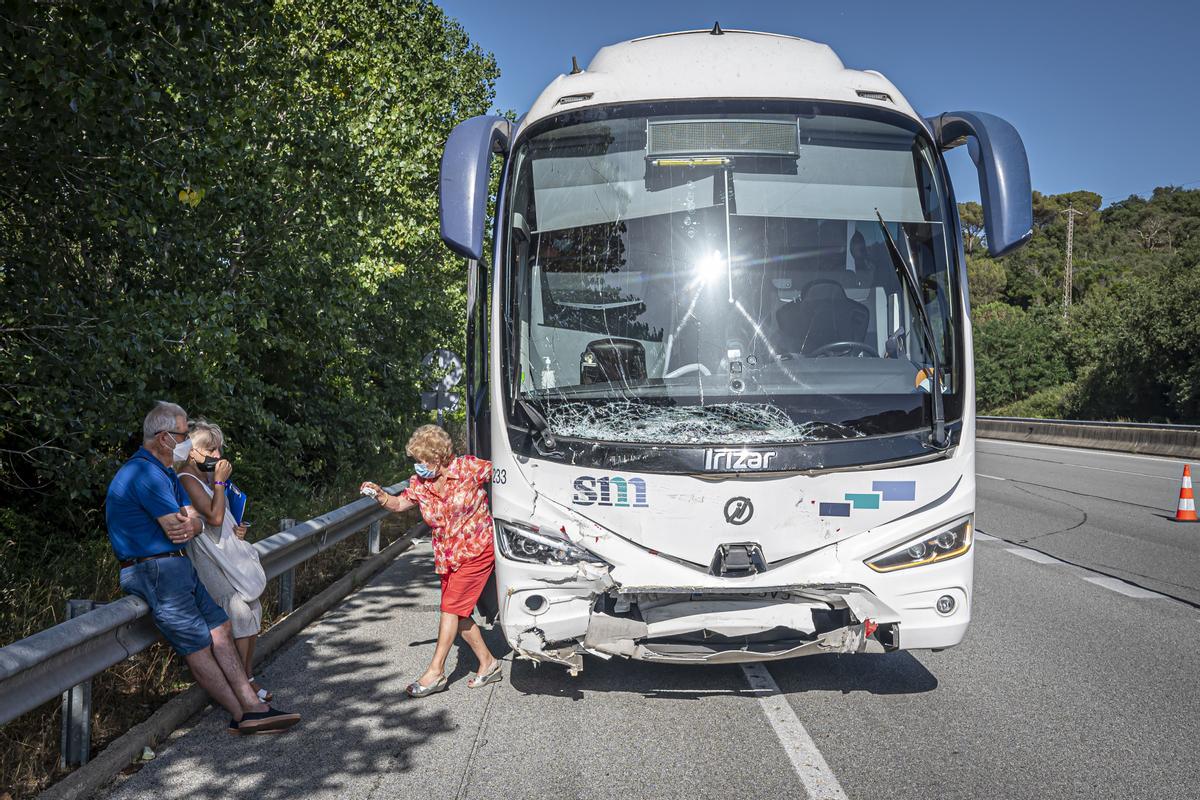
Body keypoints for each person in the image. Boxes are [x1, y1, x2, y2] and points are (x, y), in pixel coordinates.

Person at [105, 401, 299, 735]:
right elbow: (178, 525)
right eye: (182, 434)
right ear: (165, 439)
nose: (186, 441)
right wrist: (189, 522)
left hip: (176, 565)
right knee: (197, 643)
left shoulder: (163, 471)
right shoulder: (144, 473)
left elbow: (191, 523)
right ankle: (245, 712)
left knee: (220, 627)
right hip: (154, 569)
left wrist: (189, 522)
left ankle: (252, 708)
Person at [359, 425, 500, 697]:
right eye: (416, 461)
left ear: (439, 457)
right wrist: (380, 495)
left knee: (450, 608)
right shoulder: (420, 484)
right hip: (448, 556)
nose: (419, 466)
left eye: (423, 460)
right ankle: (488, 663)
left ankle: (436, 671)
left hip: (476, 550)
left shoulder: (469, 468)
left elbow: (507, 473)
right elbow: (399, 504)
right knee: (458, 614)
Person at [176, 420, 272, 703]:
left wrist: (239, 528)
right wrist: (219, 481)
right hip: (207, 558)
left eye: (219, 448)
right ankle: (240, 686)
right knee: (239, 611)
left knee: (252, 608)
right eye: (211, 449)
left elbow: (222, 519)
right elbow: (214, 517)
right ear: (192, 452)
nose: (218, 455)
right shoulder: (186, 478)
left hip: (225, 553)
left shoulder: (205, 480)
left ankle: (247, 678)